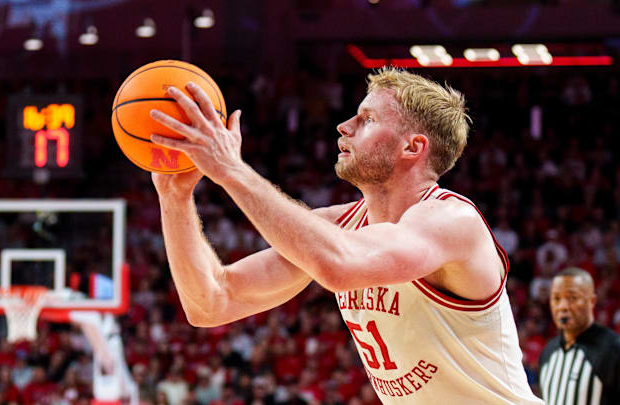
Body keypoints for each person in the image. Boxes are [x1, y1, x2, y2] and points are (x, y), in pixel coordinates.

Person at [148, 67, 542, 404]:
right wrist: (175, 199)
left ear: (413, 147)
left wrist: (230, 170)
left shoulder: (453, 220)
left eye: (367, 119)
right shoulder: (336, 229)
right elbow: (213, 302)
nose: (344, 126)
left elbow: (339, 265)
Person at [539, 267, 620, 405]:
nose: (563, 306)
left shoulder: (613, 348)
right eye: (556, 298)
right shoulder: (548, 351)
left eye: (572, 298)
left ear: (592, 301)